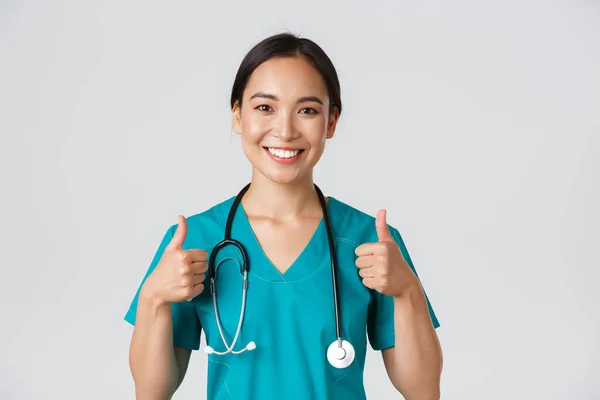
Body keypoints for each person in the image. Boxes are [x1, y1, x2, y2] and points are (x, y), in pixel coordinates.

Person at [124, 32, 443, 400]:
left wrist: (406, 291)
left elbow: (423, 391)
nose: (286, 130)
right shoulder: (195, 240)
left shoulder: (370, 242)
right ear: (237, 116)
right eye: (265, 108)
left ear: (332, 122)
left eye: (307, 110)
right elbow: (152, 392)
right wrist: (153, 298)